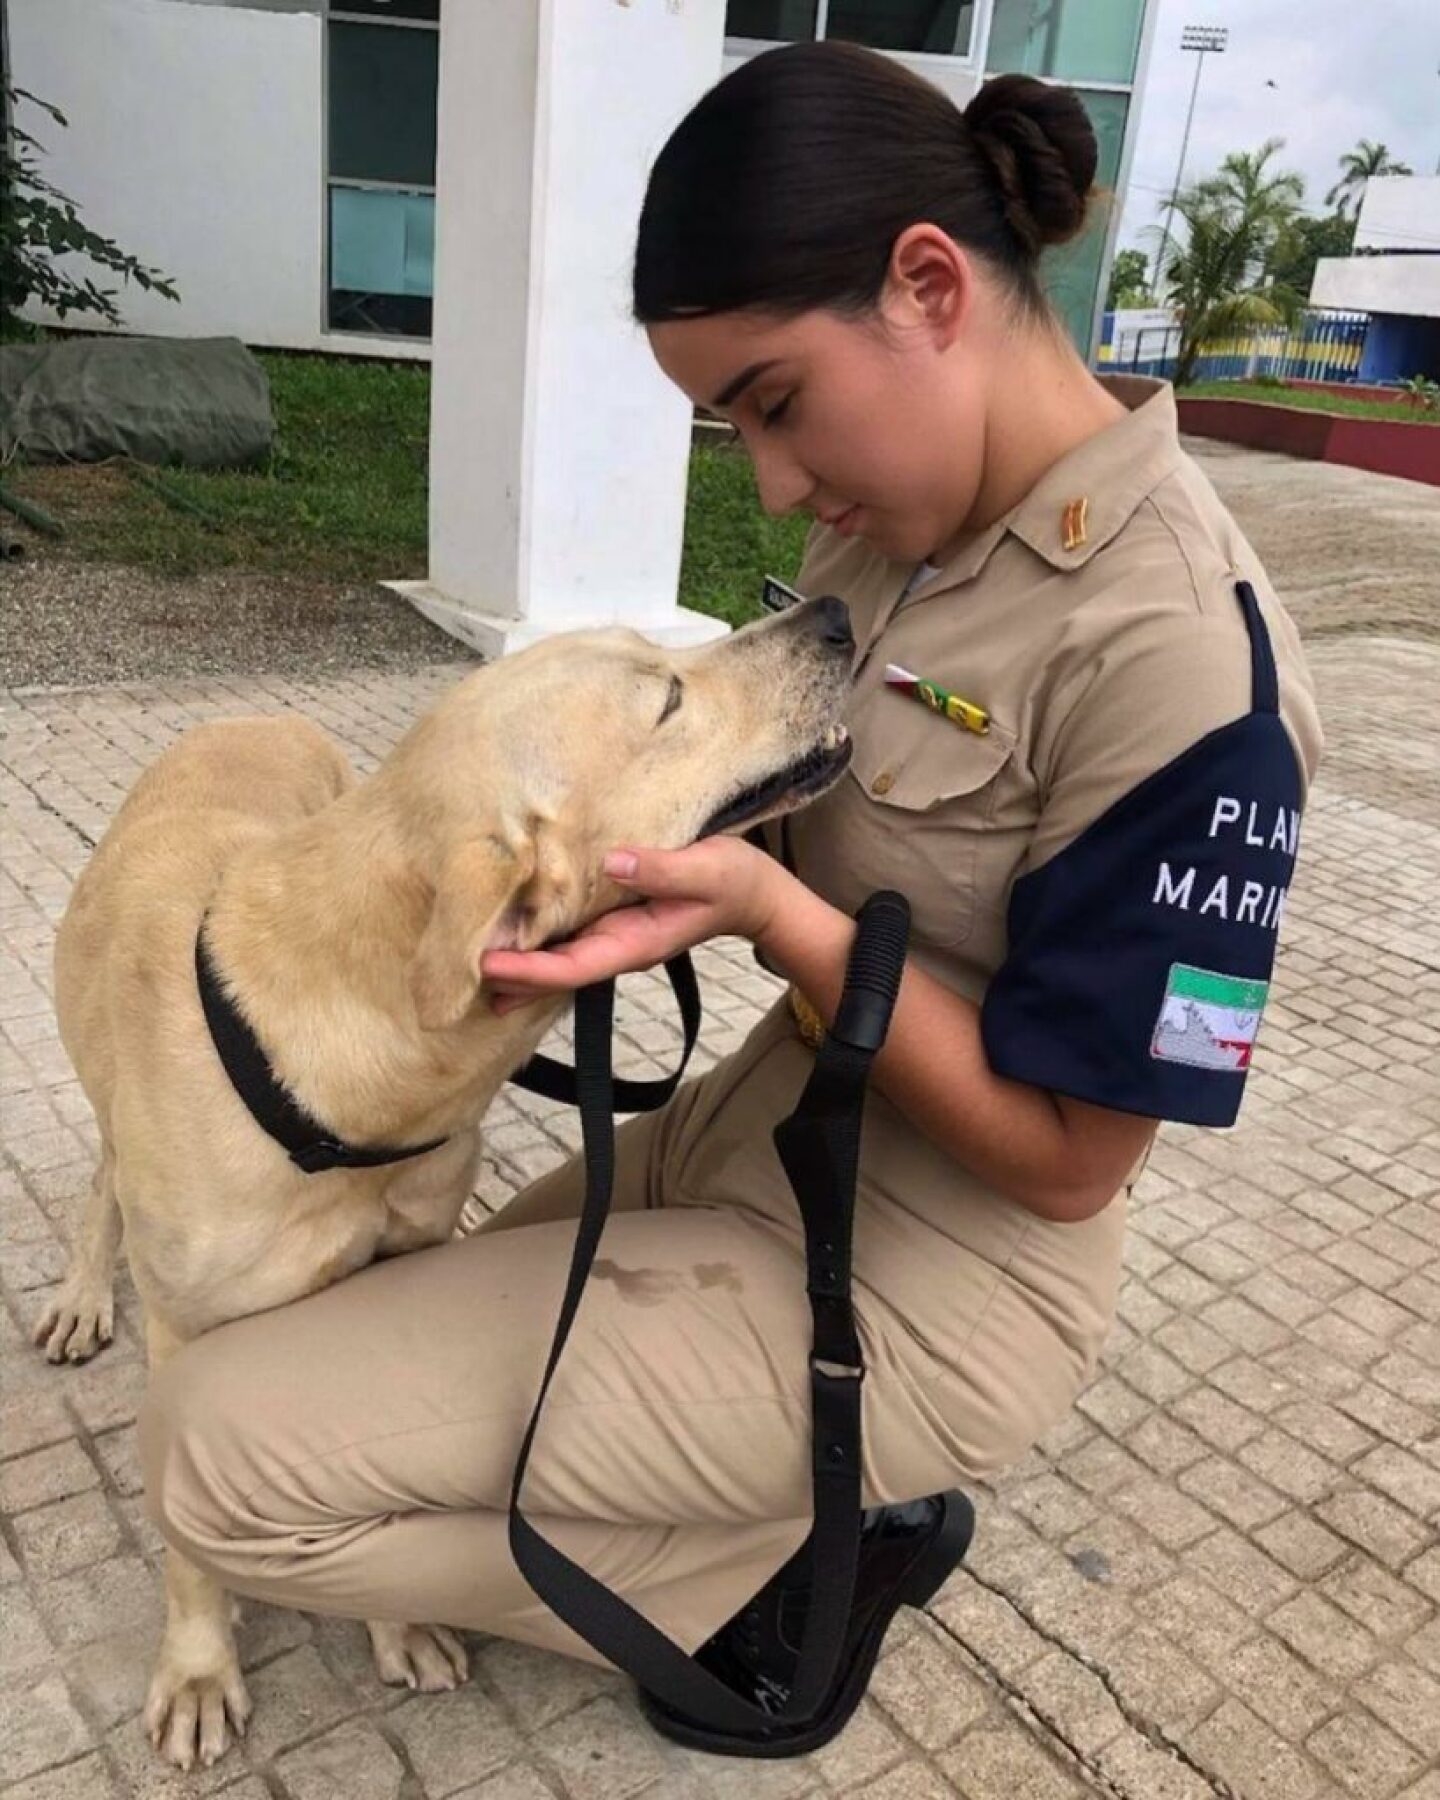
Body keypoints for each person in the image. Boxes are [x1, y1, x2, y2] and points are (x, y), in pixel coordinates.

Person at [140, 43, 1321, 1758]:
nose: (769, 482)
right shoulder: (893, 529)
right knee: (338, 1322)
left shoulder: (1188, 668)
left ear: (928, 285)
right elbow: (758, 818)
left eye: (773, 402)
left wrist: (774, 927)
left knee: (215, 1457)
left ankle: (782, 1557)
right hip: (743, 1145)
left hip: (922, 1283)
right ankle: (737, 1503)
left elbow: (1077, 1164)